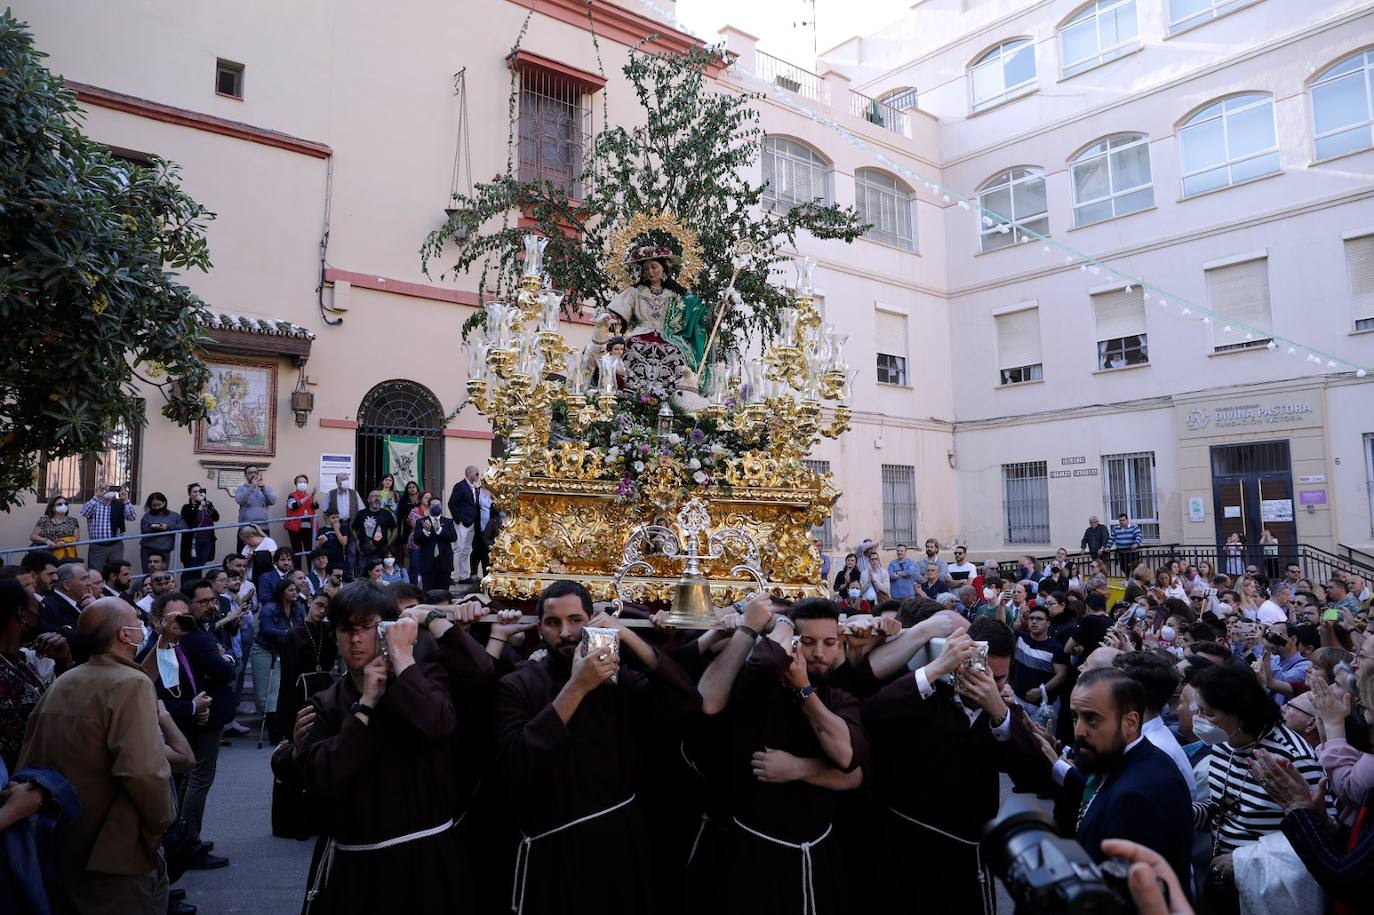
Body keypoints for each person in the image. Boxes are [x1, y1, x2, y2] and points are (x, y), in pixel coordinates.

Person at [494, 579, 701, 915]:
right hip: (554, 848)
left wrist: (628, 635)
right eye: (552, 623)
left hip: (618, 842)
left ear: (591, 620)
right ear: (539, 628)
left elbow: (687, 703)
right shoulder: (517, 684)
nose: (565, 633)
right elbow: (518, 759)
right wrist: (577, 687)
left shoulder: (617, 681)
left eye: (576, 620)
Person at [293, 581, 491, 913]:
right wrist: (366, 705)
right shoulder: (326, 702)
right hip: (359, 870)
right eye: (346, 630)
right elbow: (324, 776)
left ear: (385, 629)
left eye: (367, 629)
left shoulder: (422, 678)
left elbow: (440, 721)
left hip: (430, 858)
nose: (356, 640)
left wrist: (414, 637)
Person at [18, 598, 176, 913]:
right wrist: (160, 823)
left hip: (64, 840)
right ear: (125, 635)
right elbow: (143, 771)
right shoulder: (131, 684)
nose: (142, 625)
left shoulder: (66, 680)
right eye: (137, 621)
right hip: (113, 849)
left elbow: (30, 751)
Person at [863, 620, 1028, 915]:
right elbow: (872, 715)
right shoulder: (926, 694)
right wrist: (935, 668)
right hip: (906, 848)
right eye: (979, 671)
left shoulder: (1002, 711)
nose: (987, 683)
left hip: (964, 859)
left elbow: (1036, 777)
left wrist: (1000, 711)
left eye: (999, 677)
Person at [1190, 663, 1330, 907]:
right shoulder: (1225, 744)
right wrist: (1181, 811)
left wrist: (1246, 861)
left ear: (1241, 714)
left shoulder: (1292, 758)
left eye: (1207, 713)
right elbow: (1220, 810)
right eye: (1197, 710)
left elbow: (1321, 833)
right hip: (1222, 879)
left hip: (1270, 890)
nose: (1198, 720)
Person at [1050, 668, 1194, 893]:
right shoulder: (1120, 761)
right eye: (1075, 716)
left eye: (1092, 719)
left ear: (1130, 722)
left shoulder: (1137, 796)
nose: (1079, 731)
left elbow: (1130, 897)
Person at [178, 579, 238, 869]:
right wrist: (225, 658)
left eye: (212, 600)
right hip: (204, 714)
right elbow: (224, 669)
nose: (211, 606)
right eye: (203, 602)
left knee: (192, 778)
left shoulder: (199, 631)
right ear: (187, 603)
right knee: (199, 777)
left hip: (202, 712)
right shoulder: (195, 636)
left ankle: (183, 837)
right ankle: (189, 843)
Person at [254, 578, 307, 743]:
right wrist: (290, 632)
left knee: (279, 690)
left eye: (296, 590)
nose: (295, 593)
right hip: (264, 650)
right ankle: (273, 729)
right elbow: (267, 629)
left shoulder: (298, 607)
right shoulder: (269, 608)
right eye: (291, 590)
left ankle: (280, 730)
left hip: (285, 651)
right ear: (282, 592)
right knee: (266, 693)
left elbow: (302, 625)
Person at [1011, 605, 1070, 725]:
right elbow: (1001, 626)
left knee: (1038, 740)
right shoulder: (1020, 638)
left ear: (1048, 623)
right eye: (1031, 618)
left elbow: (1062, 675)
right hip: (1017, 700)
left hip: (1041, 707)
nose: (1034, 621)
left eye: (1039, 619)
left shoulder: (1056, 649)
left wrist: (1041, 690)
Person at [81, 483, 136, 575]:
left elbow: (132, 517)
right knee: (95, 573)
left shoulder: (119, 503)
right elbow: (84, 513)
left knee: (116, 572)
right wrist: (97, 495)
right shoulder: (95, 503)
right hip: (97, 546)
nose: (109, 491)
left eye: (112, 488)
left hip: (116, 545)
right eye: (106, 488)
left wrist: (126, 500)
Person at [39, 561, 89, 650]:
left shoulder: (83, 603)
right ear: (67, 585)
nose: (89, 583)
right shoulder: (50, 606)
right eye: (83, 579)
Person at [179, 483, 221, 587]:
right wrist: (198, 504)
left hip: (206, 541)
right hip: (192, 542)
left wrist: (209, 505)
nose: (198, 494)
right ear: (190, 495)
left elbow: (216, 517)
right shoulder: (187, 507)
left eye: (200, 491)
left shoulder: (207, 505)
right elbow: (191, 519)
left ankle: (196, 590)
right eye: (195, 492)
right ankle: (185, 590)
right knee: (190, 568)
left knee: (199, 567)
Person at [323, 473, 363, 576]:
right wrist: (329, 526)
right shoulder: (330, 494)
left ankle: (349, 576)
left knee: (351, 551)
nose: (345, 481)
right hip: (336, 524)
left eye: (346, 478)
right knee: (336, 551)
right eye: (342, 479)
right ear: (337, 482)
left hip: (351, 524)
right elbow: (325, 512)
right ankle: (335, 575)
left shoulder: (354, 493)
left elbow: (361, 510)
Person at [413, 496, 457, 590]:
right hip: (428, 565)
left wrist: (440, 529)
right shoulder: (421, 522)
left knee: (444, 594)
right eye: (433, 505)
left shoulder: (448, 522)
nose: (436, 507)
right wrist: (425, 531)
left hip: (444, 565)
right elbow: (416, 540)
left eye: (438, 505)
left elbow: (453, 537)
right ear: (429, 507)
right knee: (428, 595)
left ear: (441, 507)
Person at [447, 466, 481, 583]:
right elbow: (452, 503)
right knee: (459, 548)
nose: (477, 476)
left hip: (472, 523)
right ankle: (453, 575)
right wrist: (459, 519)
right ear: (469, 473)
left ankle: (463, 576)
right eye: (476, 473)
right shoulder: (460, 486)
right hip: (463, 523)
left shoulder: (474, 488)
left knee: (466, 550)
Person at [138, 491, 185, 575]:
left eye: (159, 505)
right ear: (150, 506)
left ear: (164, 503)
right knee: (147, 575)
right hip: (148, 549)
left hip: (164, 550)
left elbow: (183, 526)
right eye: (154, 506)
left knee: (162, 575)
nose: (157, 508)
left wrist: (168, 527)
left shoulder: (174, 516)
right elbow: (144, 530)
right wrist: (154, 528)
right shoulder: (147, 517)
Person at [351, 491, 396, 569]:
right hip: (364, 551)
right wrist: (357, 541)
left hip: (381, 552)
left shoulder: (387, 514)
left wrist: (388, 544)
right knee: (363, 577)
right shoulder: (361, 513)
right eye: (374, 496)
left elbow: (395, 529)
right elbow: (353, 528)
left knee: (379, 577)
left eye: (379, 496)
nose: (376, 498)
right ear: (368, 499)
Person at [233, 465, 276, 545]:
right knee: (244, 554)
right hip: (246, 527)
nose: (253, 475)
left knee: (263, 553)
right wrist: (251, 488)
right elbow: (239, 500)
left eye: (255, 472)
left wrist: (263, 488)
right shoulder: (242, 488)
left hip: (263, 527)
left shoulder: (266, 488)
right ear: (245, 476)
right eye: (250, 473)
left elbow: (272, 501)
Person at [30, 493, 81, 561]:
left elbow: (76, 539)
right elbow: (33, 536)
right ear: (52, 507)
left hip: (65, 555)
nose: (63, 506)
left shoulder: (73, 521)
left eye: (65, 504)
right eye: (60, 504)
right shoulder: (44, 520)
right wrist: (47, 541)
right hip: (46, 554)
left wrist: (64, 542)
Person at [284, 474, 319, 569]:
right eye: (300, 482)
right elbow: (293, 506)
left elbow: (315, 507)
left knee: (310, 552)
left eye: (305, 482)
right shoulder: (292, 495)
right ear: (296, 484)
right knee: (297, 552)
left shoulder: (309, 496)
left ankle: (311, 573)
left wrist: (313, 495)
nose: (303, 484)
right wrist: (308, 496)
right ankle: (297, 573)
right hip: (295, 528)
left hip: (309, 528)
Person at [1109, 513, 1143, 578]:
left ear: (1127, 520)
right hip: (1121, 552)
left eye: (1123, 520)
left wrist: (1136, 543)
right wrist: (1107, 547)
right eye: (1120, 521)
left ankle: (1133, 579)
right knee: (1123, 567)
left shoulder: (1134, 527)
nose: (1121, 522)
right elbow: (1111, 539)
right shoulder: (1116, 529)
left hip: (1132, 552)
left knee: (1134, 567)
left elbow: (1138, 536)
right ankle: (1130, 578)